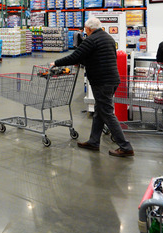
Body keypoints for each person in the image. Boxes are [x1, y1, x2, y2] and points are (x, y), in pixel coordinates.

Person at [52, 17, 134, 158]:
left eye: (85, 29)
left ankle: (125, 146)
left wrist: (56, 62)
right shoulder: (108, 38)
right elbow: (99, 56)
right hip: (112, 79)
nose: (85, 31)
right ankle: (94, 141)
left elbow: (75, 56)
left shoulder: (91, 39)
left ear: (89, 29)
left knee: (106, 112)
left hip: (101, 81)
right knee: (99, 111)